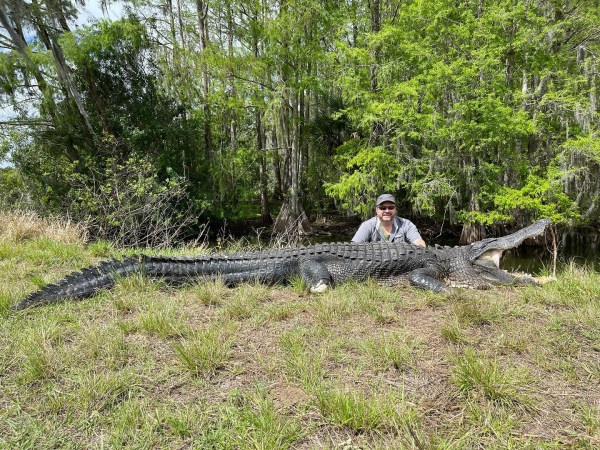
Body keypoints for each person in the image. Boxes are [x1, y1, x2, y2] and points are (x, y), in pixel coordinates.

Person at [351, 194, 426, 247]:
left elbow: (419, 242)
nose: (387, 211)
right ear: (377, 210)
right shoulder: (367, 225)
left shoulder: (406, 224)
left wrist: (420, 246)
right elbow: (353, 247)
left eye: (391, 207)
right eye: (383, 208)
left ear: (395, 209)